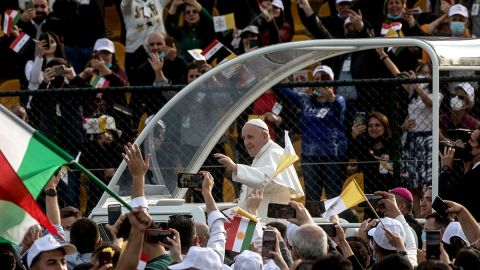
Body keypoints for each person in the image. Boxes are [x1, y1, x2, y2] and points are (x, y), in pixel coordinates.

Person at [274, 65, 347, 201]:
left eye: (324, 79)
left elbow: (339, 108)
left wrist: (331, 97)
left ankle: (335, 222)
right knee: (312, 198)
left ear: (331, 81)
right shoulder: (306, 99)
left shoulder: (339, 99)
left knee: (333, 197)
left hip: (333, 157)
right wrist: (281, 74)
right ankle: (313, 221)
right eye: (316, 79)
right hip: (310, 156)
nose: (320, 82)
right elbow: (283, 91)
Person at [215, 118, 304, 220]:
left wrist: (235, 168)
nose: (246, 142)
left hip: (271, 220)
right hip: (263, 215)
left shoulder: (274, 153)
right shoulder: (263, 154)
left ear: (265, 136)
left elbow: (267, 181)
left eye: (250, 137)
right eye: (244, 138)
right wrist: (242, 200)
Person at [350, 112, 396, 193]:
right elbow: (352, 153)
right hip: (367, 188)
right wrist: (354, 136)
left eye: (377, 125)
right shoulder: (363, 143)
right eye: (370, 126)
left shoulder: (392, 144)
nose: (373, 128)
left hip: (389, 188)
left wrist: (388, 161)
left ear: (384, 127)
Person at [440, 129, 480, 220]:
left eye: (472, 141)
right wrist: (467, 171)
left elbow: (448, 202)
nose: (467, 143)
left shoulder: (474, 175)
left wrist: (446, 169)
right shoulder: (472, 172)